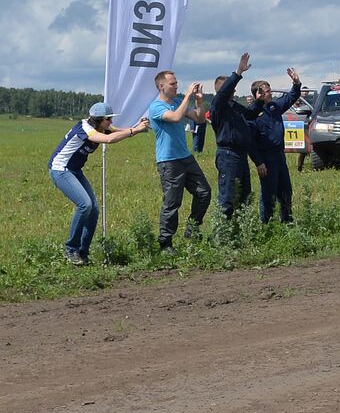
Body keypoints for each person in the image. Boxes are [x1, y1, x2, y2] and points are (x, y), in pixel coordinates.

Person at [49, 103, 149, 265]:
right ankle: (71, 249)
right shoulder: (85, 128)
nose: (110, 121)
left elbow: (119, 132)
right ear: (98, 119)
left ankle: (83, 253)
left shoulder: (100, 127)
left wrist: (138, 127)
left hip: (74, 170)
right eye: (108, 119)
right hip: (61, 169)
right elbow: (109, 139)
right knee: (85, 205)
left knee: (94, 210)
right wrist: (134, 130)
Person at [148, 70, 212, 250]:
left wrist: (199, 101)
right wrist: (188, 96)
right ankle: (165, 242)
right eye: (172, 84)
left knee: (204, 192)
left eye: (176, 83)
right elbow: (176, 118)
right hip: (169, 161)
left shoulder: (177, 102)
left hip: (185, 157)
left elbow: (199, 119)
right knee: (172, 202)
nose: (176, 86)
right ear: (161, 86)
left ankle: (192, 228)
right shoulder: (156, 107)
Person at [210, 53, 266, 220]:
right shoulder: (217, 105)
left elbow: (249, 114)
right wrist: (238, 72)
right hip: (227, 155)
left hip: (240, 155)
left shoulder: (233, 105)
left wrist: (259, 101)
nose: (234, 91)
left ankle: (241, 231)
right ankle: (223, 234)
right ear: (222, 89)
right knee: (227, 196)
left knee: (244, 195)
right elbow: (223, 93)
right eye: (231, 88)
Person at [249, 69, 302, 223]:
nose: (270, 93)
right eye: (267, 91)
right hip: (266, 158)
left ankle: (287, 221)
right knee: (268, 193)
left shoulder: (274, 107)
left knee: (286, 190)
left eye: (270, 90)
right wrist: (259, 162)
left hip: (279, 155)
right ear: (258, 95)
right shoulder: (252, 115)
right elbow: (251, 143)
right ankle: (266, 223)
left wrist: (296, 83)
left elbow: (291, 97)